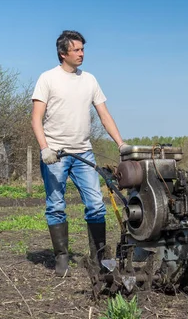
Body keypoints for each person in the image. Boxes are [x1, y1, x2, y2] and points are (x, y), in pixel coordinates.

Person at [31, 30, 126, 277]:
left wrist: (121, 144)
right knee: (55, 205)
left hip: (84, 153)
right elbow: (36, 119)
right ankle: (61, 258)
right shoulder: (47, 79)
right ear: (63, 53)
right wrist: (44, 149)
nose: (82, 54)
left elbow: (104, 115)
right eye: (77, 50)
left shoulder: (90, 80)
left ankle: (98, 259)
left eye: (83, 49)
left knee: (96, 205)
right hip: (56, 155)